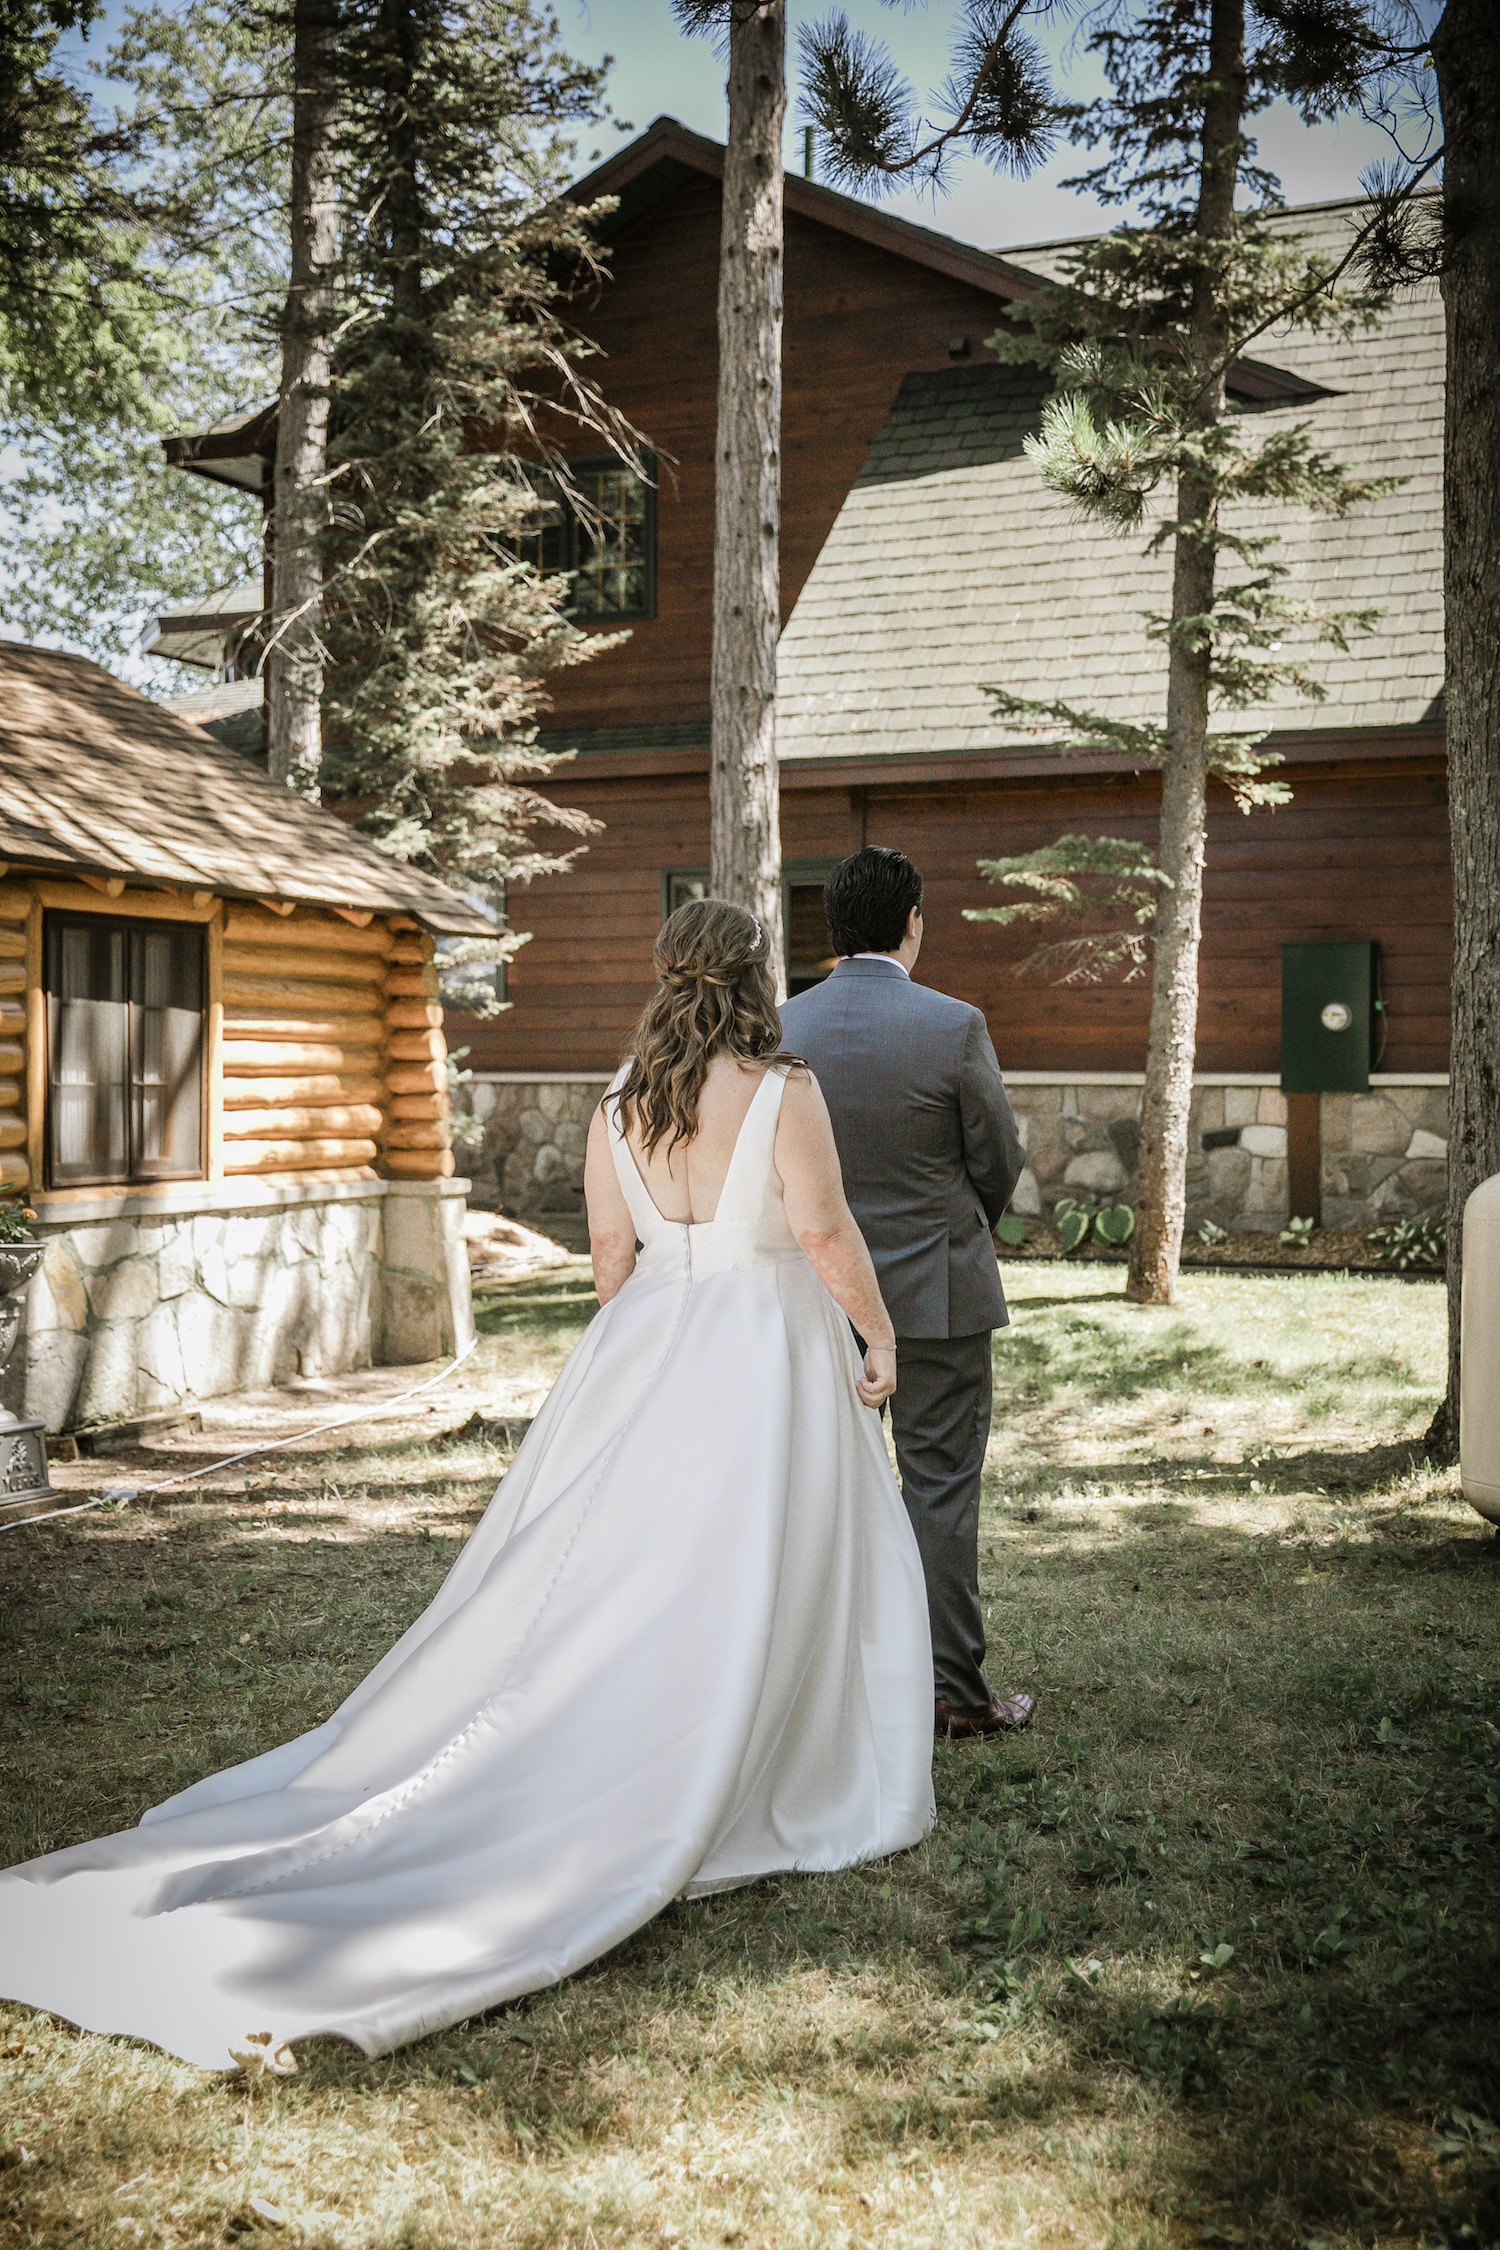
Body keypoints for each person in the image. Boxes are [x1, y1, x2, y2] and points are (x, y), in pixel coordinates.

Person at [0, 900, 933, 2073]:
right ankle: (771, 1756)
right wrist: (880, 1336)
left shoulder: (619, 1103)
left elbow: (609, 1268)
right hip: (770, 1348)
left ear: (663, 975)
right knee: (767, 1561)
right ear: (762, 977)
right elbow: (826, 1229)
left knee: (622, 1570)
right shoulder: (785, 1092)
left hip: (646, 1350)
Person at [781, 847, 1035, 1741]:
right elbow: (997, 1157)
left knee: (819, 1491)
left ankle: (824, 1690)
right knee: (941, 1492)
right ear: (914, 923)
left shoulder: (780, 1027)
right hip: (937, 1296)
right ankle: (953, 1694)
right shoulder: (954, 1025)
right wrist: (964, 1226)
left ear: (832, 931)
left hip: (819, 1301)